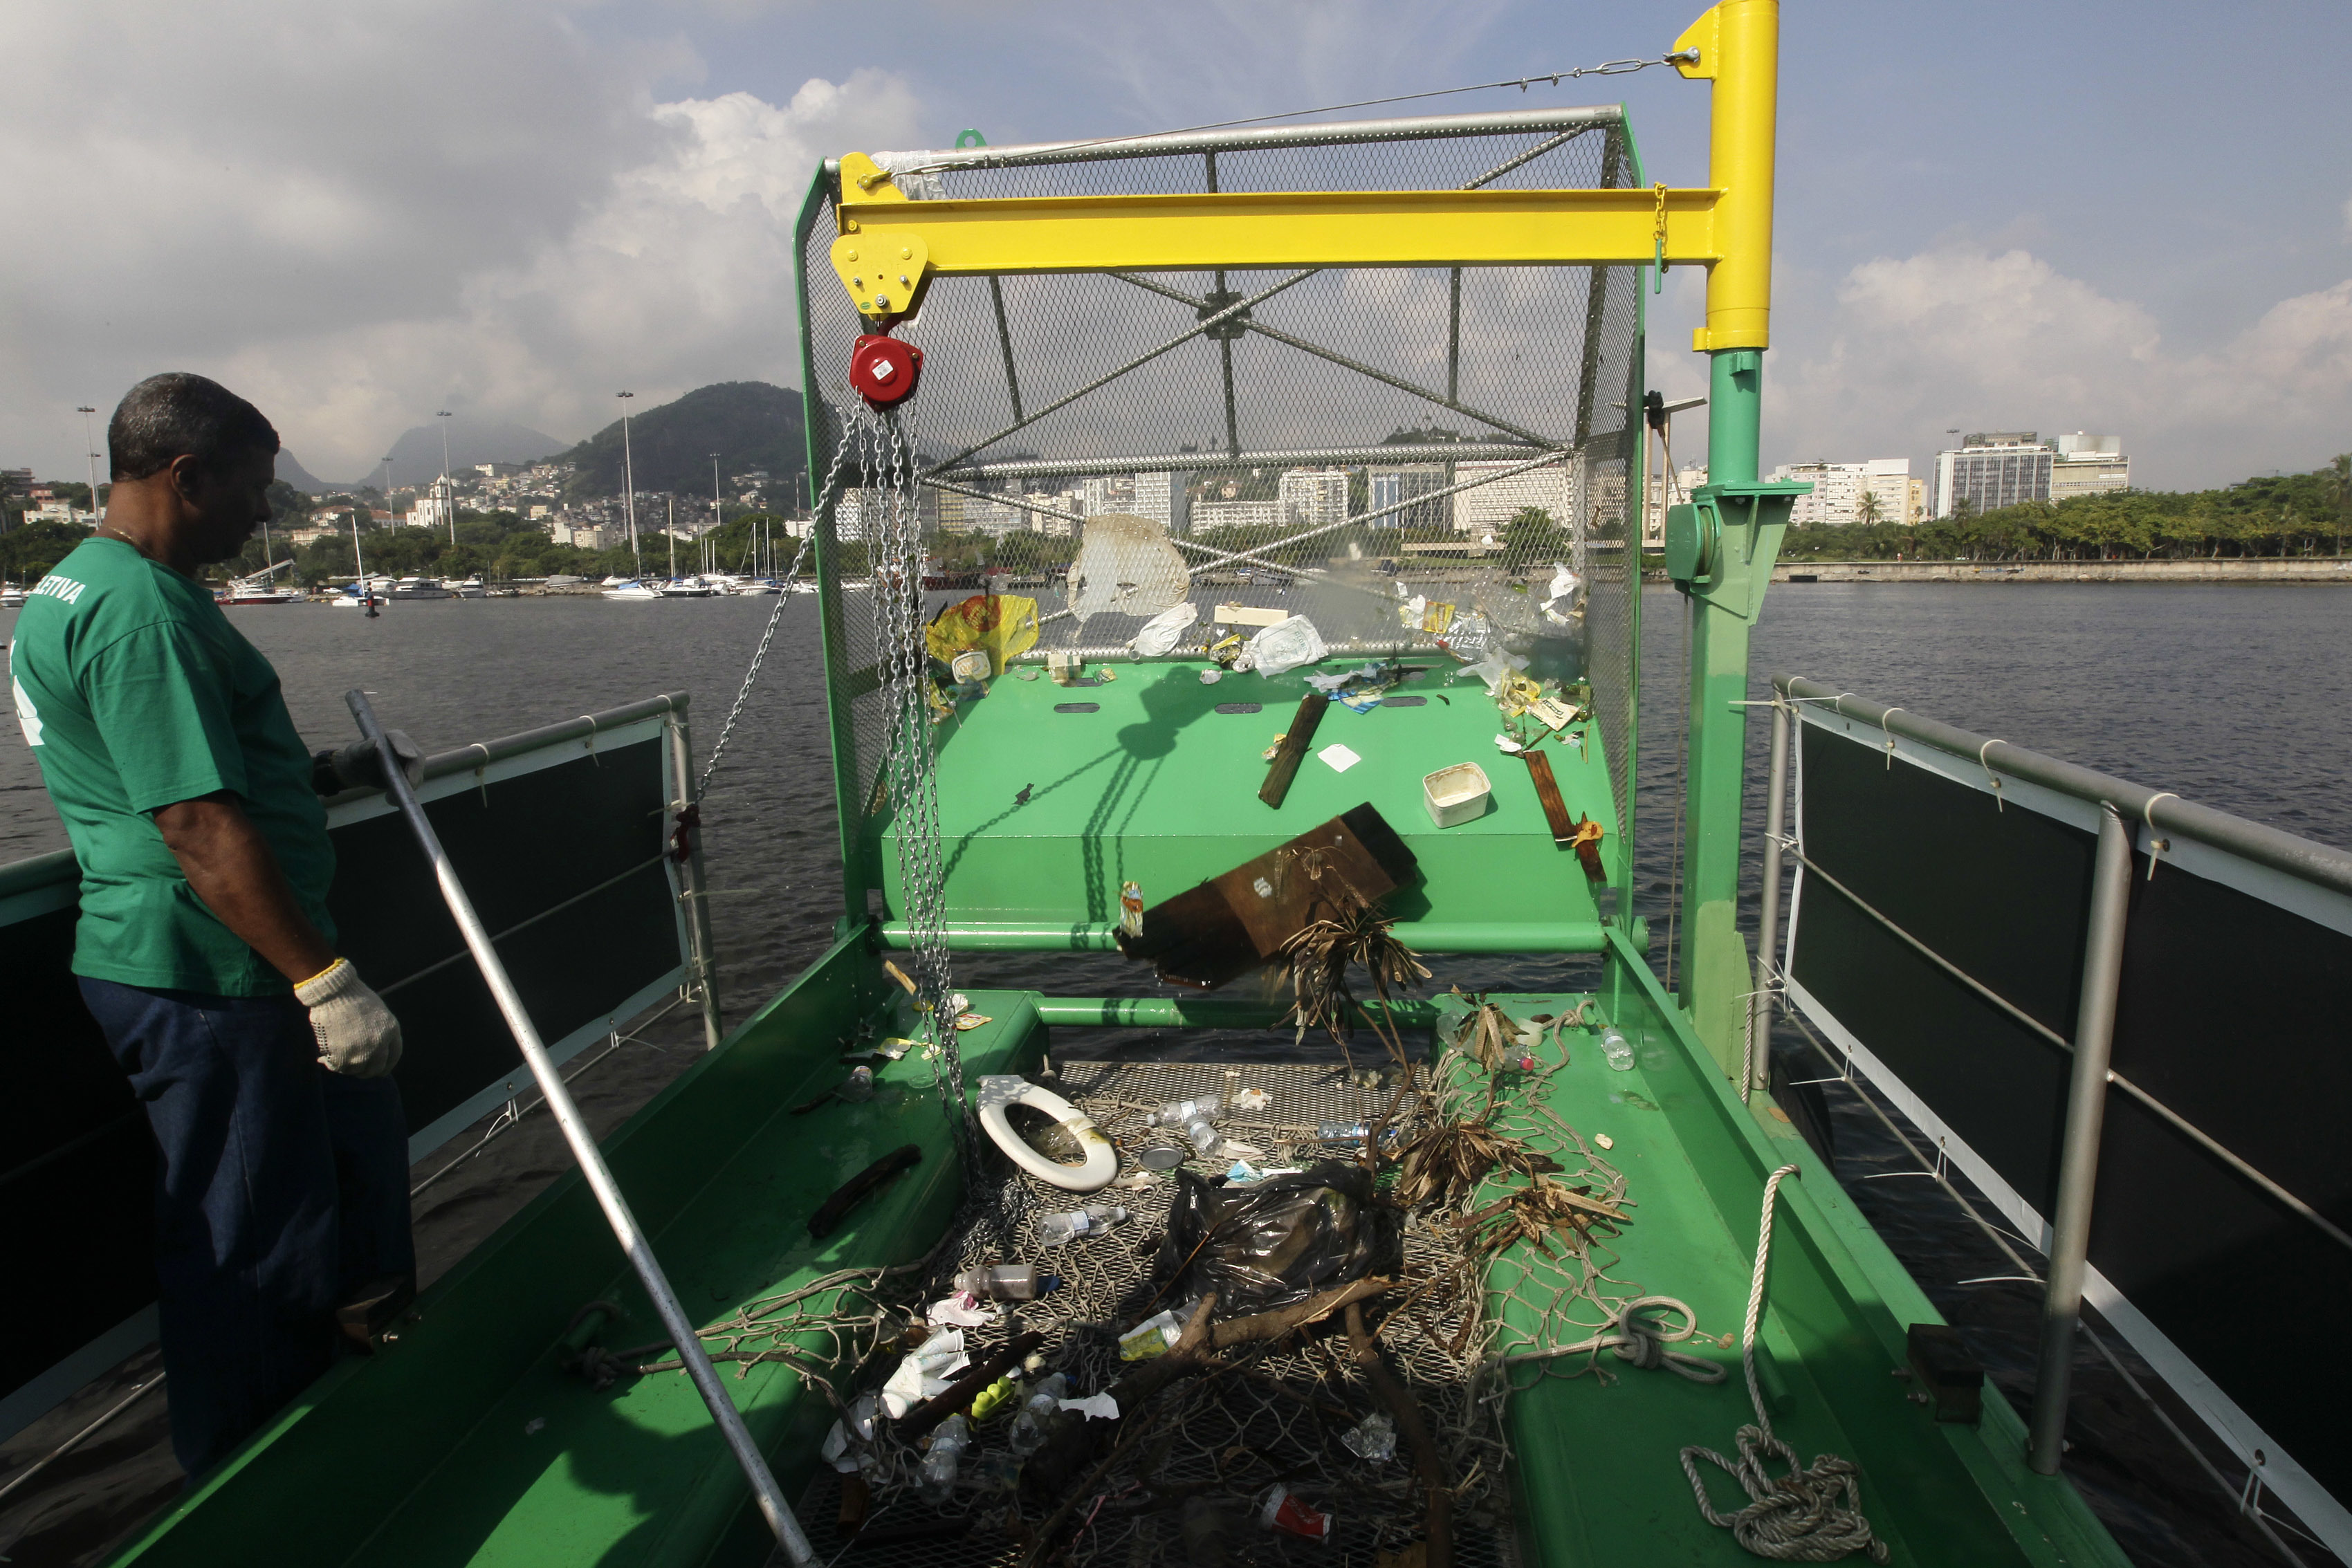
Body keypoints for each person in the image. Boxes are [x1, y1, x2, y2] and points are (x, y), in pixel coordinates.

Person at [8, 372, 416, 1479]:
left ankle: (323, 1406)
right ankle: (253, 1490)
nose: (266, 514)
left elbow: (161, 770)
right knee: (249, 1250)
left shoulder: (76, 589)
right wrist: (323, 981)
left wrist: (322, 772)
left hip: (190, 959)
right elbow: (191, 819)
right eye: (253, 486)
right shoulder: (142, 611)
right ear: (185, 476)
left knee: (303, 1200)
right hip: (209, 971)